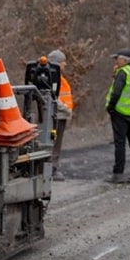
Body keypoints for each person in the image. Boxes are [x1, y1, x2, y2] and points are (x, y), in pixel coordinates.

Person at [105, 48, 130, 183]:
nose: (116, 61)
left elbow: (116, 92)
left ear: (123, 60)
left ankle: (118, 173)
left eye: (117, 59)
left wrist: (110, 107)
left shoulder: (123, 72)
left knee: (120, 143)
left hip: (121, 112)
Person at [47, 49, 73, 180]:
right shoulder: (53, 77)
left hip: (60, 115)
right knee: (54, 142)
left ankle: (52, 167)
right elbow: (51, 98)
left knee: (55, 142)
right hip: (57, 115)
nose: (65, 65)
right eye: (63, 62)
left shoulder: (58, 77)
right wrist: (65, 108)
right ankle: (51, 168)